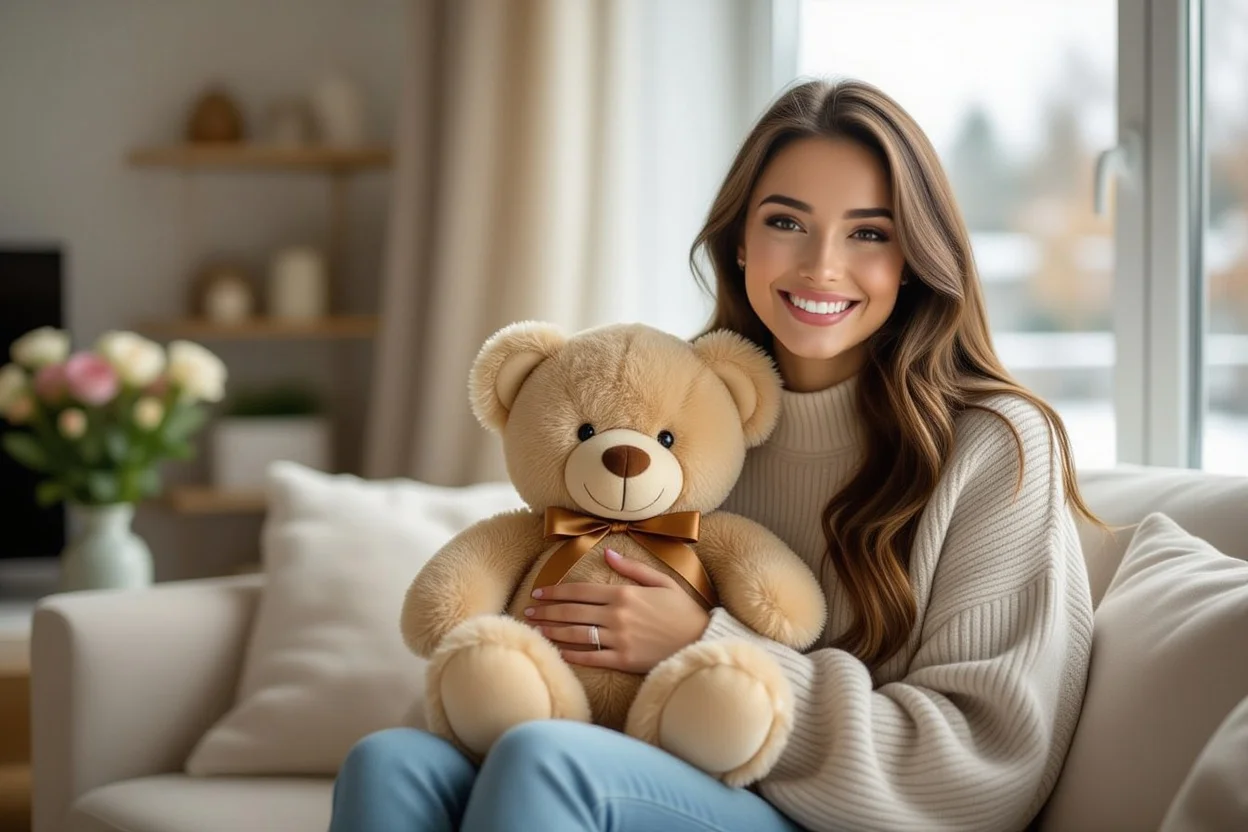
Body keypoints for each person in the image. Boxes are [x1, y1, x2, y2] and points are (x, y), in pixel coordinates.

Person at [328, 78, 1096, 832]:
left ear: (915, 258)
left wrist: (704, 641)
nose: (821, 265)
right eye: (786, 223)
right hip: (652, 762)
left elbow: (985, 769)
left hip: (833, 814)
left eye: (869, 232)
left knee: (543, 761)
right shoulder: (684, 415)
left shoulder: (991, 444)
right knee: (391, 762)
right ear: (737, 245)